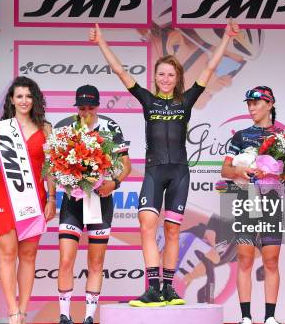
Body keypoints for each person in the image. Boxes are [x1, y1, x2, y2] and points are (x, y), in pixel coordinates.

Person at [90, 19, 239, 306]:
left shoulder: (186, 101)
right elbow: (120, 71)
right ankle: (153, 287)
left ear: (177, 77)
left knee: (172, 230)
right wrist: (101, 43)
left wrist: (226, 40)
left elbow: (209, 68)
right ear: (155, 77)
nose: (166, 78)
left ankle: (169, 289)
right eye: (162, 74)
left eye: (171, 74)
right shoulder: (147, 100)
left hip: (179, 174)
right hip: (154, 172)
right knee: (147, 225)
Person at [0, 76, 56, 324]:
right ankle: (12, 312)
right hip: (2, 198)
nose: (24, 101)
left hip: (34, 199)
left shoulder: (46, 129)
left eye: (28, 96)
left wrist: (52, 198)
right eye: (19, 96)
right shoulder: (0, 129)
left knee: (29, 256)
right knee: (7, 254)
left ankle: (23, 310)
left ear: (34, 100)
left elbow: (50, 169)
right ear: (11, 100)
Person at [52, 85, 132, 324]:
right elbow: (53, 166)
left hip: (101, 199)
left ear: (99, 106)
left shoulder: (111, 128)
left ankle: (89, 320)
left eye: (91, 108)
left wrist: (115, 183)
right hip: (72, 201)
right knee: (66, 260)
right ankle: (64, 318)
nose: (86, 112)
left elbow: (126, 165)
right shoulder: (64, 127)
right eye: (82, 108)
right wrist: (61, 184)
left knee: (96, 262)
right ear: (76, 107)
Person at [221, 86, 285, 324]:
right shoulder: (240, 136)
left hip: (272, 201)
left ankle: (270, 318)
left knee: (271, 260)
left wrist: (273, 171)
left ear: (270, 104)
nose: (251, 108)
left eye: (256, 103)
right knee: (245, 258)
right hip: (246, 198)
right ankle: (245, 317)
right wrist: (243, 171)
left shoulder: (283, 135)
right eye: (248, 104)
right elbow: (225, 171)